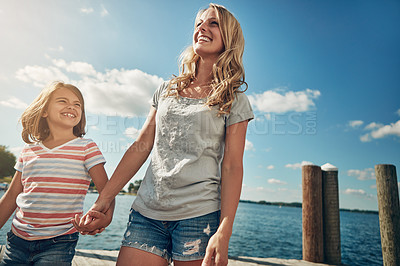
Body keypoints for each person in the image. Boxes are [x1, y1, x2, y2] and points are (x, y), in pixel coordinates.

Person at [74, 3, 254, 266]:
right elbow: (141, 146)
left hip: (199, 216)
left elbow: (232, 166)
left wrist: (223, 232)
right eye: (199, 24)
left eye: (213, 23)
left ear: (230, 36)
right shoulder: (167, 89)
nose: (202, 28)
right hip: (147, 213)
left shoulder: (234, 99)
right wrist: (103, 200)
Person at [0, 82, 114, 265]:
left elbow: (107, 191)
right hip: (16, 240)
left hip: (59, 242)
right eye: (63, 101)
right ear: (44, 111)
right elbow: (12, 195)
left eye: (77, 104)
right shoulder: (28, 150)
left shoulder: (86, 147)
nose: (71, 106)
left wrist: (104, 219)